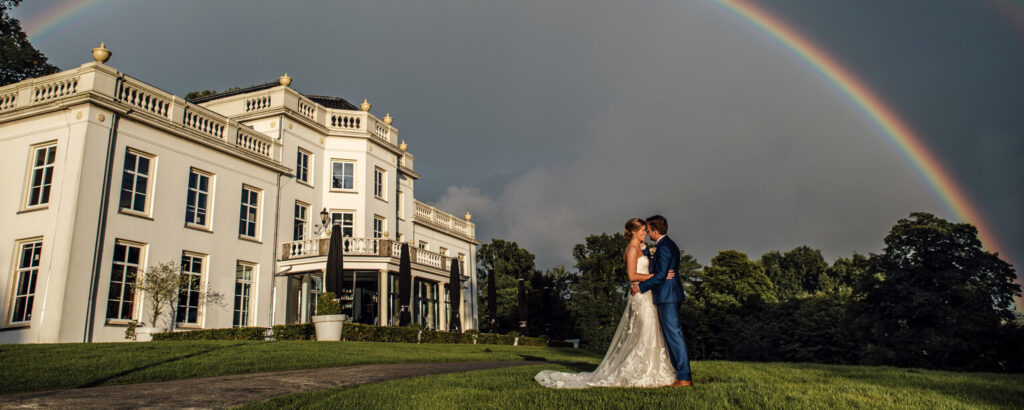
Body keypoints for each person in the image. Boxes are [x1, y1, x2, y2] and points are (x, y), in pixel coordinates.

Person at [534, 218, 678, 388]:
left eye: (646, 231)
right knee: (644, 332)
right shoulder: (631, 249)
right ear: (633, 231)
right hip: (640, 295)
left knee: (651, 332)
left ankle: (652, 369)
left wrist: (648, 254)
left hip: (647, 295)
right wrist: (658, 276)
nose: (645, 233)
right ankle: (638, 371)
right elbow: (632, 276)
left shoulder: (640, 249)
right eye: (642, 230)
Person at [631, 214, 693, 386]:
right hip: (667, 294)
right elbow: (660, 268)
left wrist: (641, 287)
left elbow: (661, 275)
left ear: (655, 230)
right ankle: (679, 374)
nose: (648, 233)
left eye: (649, 230)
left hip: (668, 295)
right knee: (671, 335)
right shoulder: (664, 245)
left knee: (674, 335)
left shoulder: (665, 246)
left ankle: (684, 377)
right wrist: (646, 253)